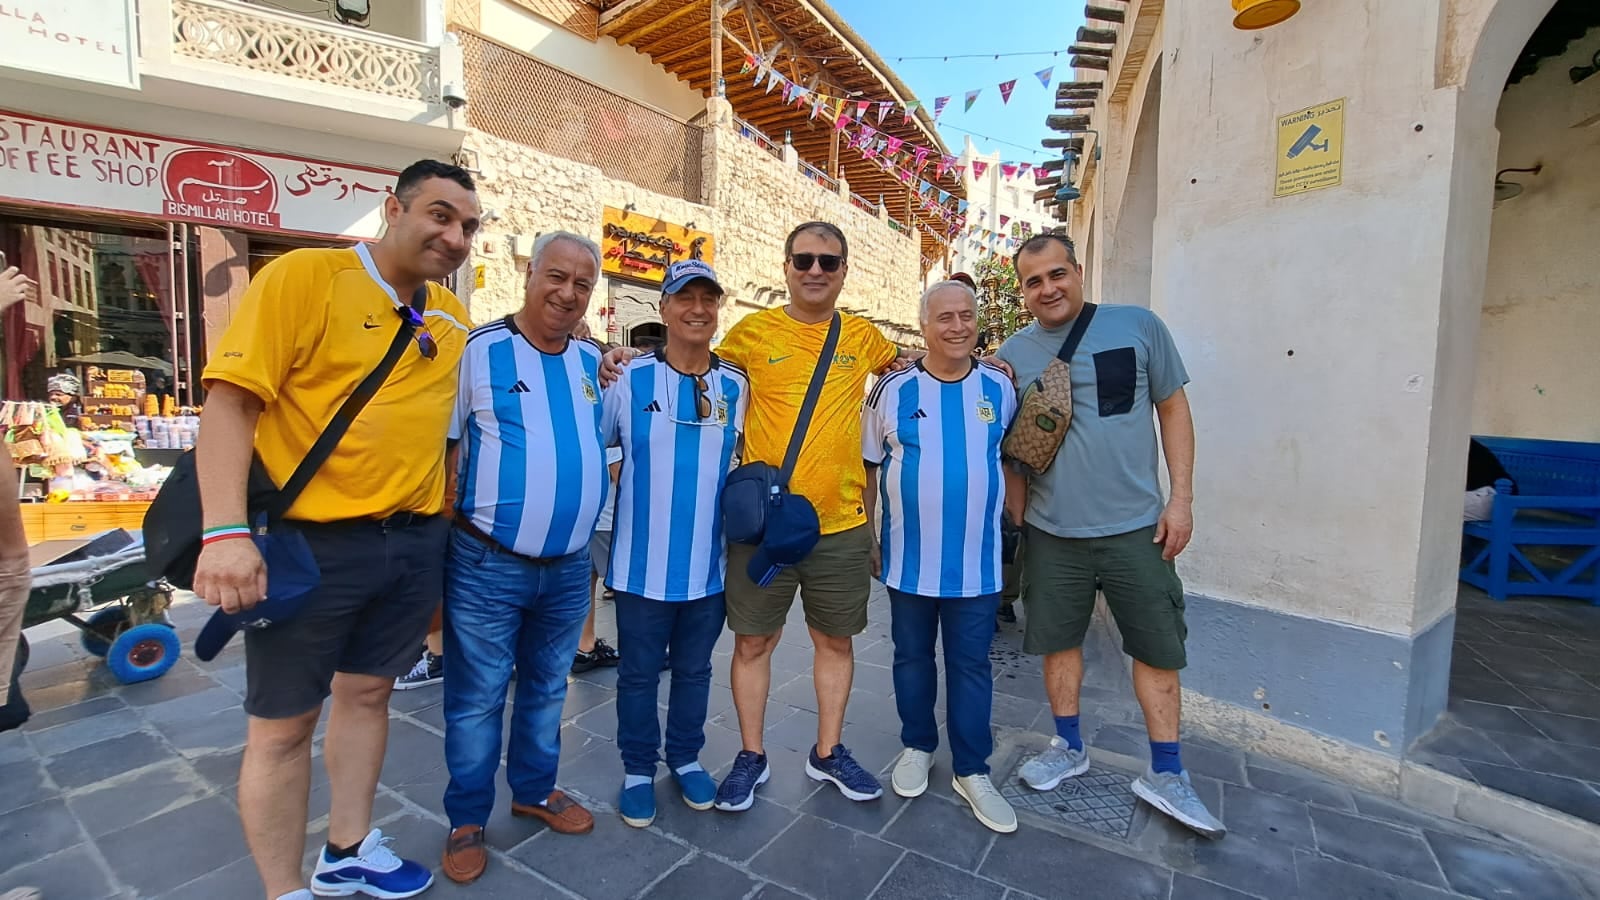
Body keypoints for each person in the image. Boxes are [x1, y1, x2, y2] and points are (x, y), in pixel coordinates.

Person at [192, 159, 480, 899]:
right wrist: (224, 531)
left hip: (412, 544)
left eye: (469, 227)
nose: (454, 236)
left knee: (368, 697)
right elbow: (230, 404)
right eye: (441, 215)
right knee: (283, 728)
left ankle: (347, 848)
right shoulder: (302, 278)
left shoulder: (451, 322)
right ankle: (282, 889)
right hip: (309, 546)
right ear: (393, 207)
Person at [605, 222, 921, 810]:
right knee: (753, 644)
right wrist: (625, 352)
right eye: (803, 260)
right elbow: (690, 357)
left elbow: (914, 361)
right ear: (786, 267)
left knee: (836, 643)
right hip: (762, 527)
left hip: (841, 525)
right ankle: (750, 755)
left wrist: (992, 363)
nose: (815, 271)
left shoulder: (864, 337)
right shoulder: (750, 335)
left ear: (844, 271)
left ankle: (827, 752)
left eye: (828, 261)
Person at [995, 232, 1223, 838]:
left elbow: (1174, 409)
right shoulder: (1012, 355)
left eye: (1057, 274)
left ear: (1078, 271)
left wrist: (1181, 499)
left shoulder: (1139, 327)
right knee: (1058, 643)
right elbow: (1008, 447)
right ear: (1023, 292)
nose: (1048, 288)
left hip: (1137, 530)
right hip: (1052, 532)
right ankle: (1068, 746)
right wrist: (1019, 517)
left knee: (1155, 647)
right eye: (1033, 281)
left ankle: (1168, 772)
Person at [440, 232, 607, 885]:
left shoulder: (593, 362)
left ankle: (535, 790)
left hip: (568, 570)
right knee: (477, 698)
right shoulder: (479, 352)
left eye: (582, 284)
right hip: (488, 564)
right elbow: (449, 447)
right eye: (556, 276)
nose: (567, 293)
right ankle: (466, 820)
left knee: (546, 690)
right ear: (530, 273)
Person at [863, 280, 1019, 834]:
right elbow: (869, 466)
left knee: (971, 665)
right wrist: (871, 539)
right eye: (944, 318)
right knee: (910, 656)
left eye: (966, 316)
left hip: (977, 562)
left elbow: (1008, 461)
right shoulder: (893, 391)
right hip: (909, 559)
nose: (957, 327)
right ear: (923, 325)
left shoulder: (1000, 388)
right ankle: (917, 745)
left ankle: (972, 769)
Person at [603, 260, 749, 828]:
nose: (697, 309)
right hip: (640, 568)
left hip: (708, 570)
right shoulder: (629, 379)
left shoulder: (735, 385)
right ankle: (638, 768)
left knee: (694, 672)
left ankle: (685, 757)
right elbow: (601, 442)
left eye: (708, 299)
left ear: (718, 309)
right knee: (638, 673)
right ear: (662, 308)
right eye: (684, 298)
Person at [573, 444, 623, 673]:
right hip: (610, 522)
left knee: (587, 581)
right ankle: (637, 650)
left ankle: (585, 647)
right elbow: (619, 475)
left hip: (592, 519)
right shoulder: (614, 435)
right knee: (627, 588)